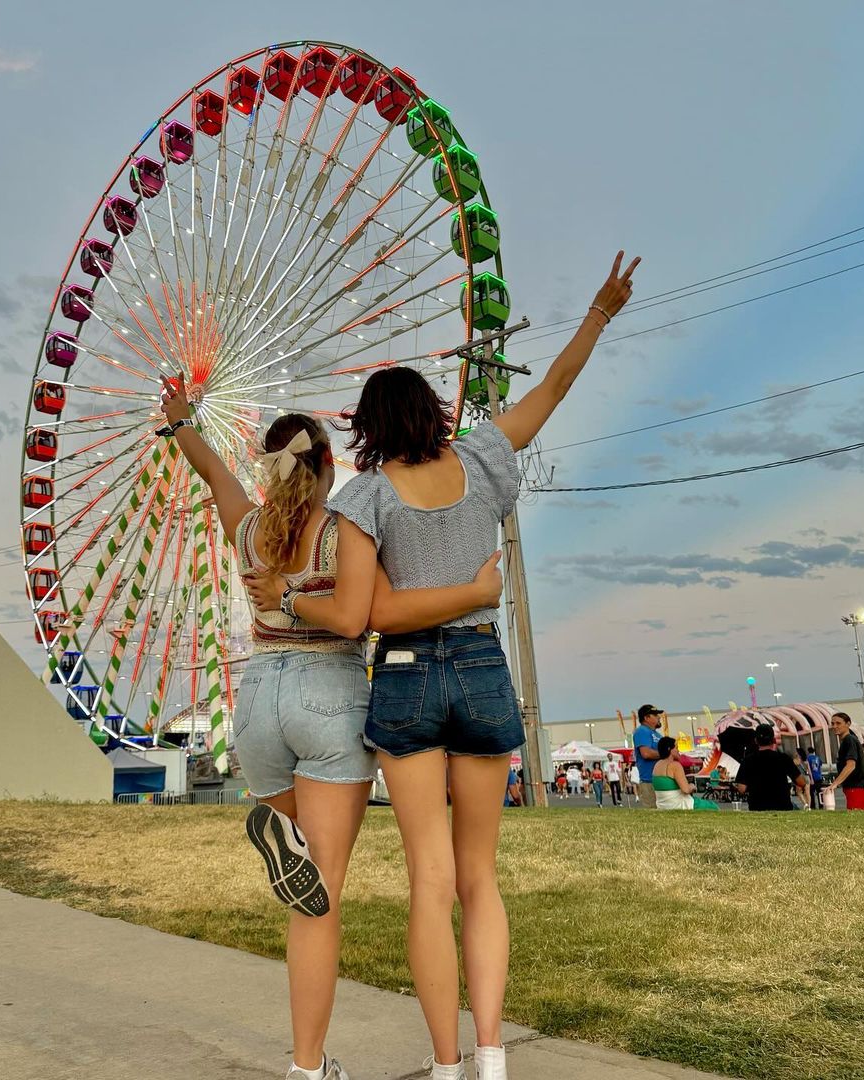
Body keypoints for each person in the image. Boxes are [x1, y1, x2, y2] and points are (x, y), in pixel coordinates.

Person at [263, 252, 639, 1079]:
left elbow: (369, 615)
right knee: (480, 878)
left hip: (404, 678)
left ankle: (444, 1064)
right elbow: (555, 388)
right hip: (480, 665)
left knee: (430, 883)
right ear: (433, 412)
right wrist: (600, 314)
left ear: (368, 429)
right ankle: (492, 1055)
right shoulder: (484, 457)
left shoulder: (364, 497)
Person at [160, 386, 501, 1080]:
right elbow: (362, 614)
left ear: (268, 470)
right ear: (324, 467)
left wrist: (179, 423)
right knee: (322, 896)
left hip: (258, 702)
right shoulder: (344, 526)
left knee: (305, 890)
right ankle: (307, 1066)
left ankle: (309, 1064)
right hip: (326, 694)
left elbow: (211, 470)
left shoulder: (247, 528)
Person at [734, 725, 805, 811]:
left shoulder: (747, 760)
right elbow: (801, 782)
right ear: (773, 740)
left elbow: (741, 789)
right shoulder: (783, 758)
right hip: (782, 806)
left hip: (757, 807)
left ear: (756, 741)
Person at [823, 712, 864, 811]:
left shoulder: (849, 740)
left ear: (848, 724)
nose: (834, 726)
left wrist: (834, 784)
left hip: (857, 789)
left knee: (857, 817)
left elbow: (851, 765)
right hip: (856, 789)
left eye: (838, 723)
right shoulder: (849, 740)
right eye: (833, 724)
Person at [651, 737, 719, 810]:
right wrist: (692, 786)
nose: (678, 750)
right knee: (713, 806)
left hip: (663, 805)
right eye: (676, 748)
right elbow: (686, 790)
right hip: (678, 804)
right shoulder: (675, 765)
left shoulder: (657, 765)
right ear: (669, 749)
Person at [632, 705, 664, 809]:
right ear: (646, 718)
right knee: (652, 812)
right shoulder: (642, 731)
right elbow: (646, 753)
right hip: (649, 782)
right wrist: (666, 754)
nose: (659, 717)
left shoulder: (657, 735)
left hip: (660, 780)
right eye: (655, 715)